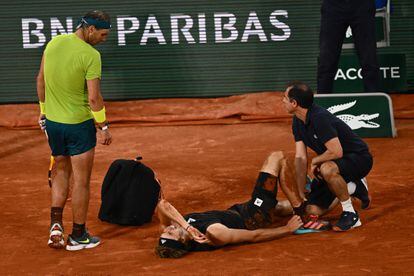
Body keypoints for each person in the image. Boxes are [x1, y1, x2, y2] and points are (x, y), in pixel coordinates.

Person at [36, 10, 112, 251]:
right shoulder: (91, 55)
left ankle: (55, 225)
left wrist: (43, 111)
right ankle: (78, 235)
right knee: (81, 181)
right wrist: (103, 126)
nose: (104, 39)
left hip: (54, 124)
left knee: (60, 169)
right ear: (90, 29)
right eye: (103, 34)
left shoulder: (54, 42)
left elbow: (40, 80)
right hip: (79, 126)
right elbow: (93, 98)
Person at [155, 151, 305, 258]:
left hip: (239, 209)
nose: (168, 228)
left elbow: (163, 204)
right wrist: (287, 229)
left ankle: (308, 202)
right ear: (182, 241)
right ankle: (301, 210)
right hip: (254, 216)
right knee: (277, 157)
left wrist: (187, 227)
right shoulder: (214, 233)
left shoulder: (180, 227)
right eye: (170, 233)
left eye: (165, 231)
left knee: (286, 207)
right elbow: (253, 236)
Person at [282, 81, 373, 231]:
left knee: (326, 168)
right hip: (336, 161)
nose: (282, 101)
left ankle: (350, 214)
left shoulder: (319, 118)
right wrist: (300, 194)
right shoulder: (297, 121)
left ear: (294, 103)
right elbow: (300, 158)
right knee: (312, 210)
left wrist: (315, 161)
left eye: (284, 97)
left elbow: (336, 151)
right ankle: (353, 187)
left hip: (359, 158)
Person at [317, 0, 380, 93]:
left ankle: (375, 101)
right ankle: (322, 101)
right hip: (333, 6)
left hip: (362, 5)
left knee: (369, 59)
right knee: (326, 61)